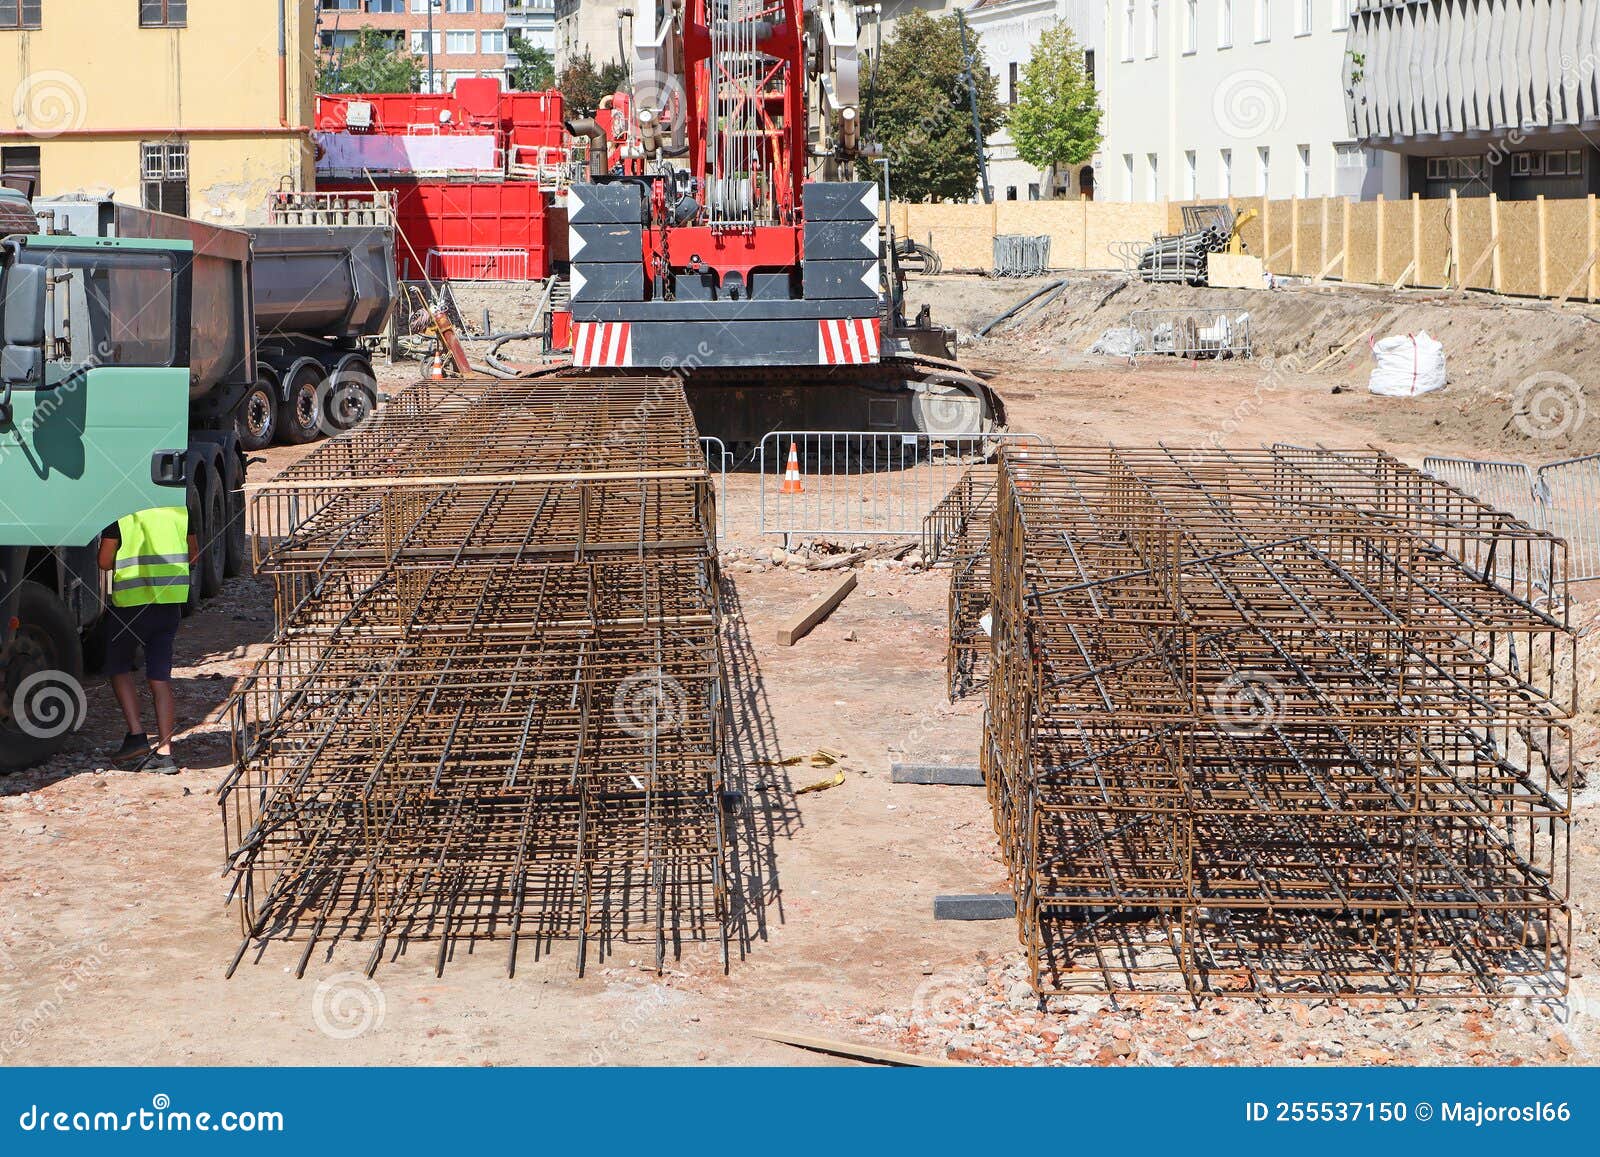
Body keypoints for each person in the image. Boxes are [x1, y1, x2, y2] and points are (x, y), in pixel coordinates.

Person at [97, 506, 198, 773]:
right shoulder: (180, 512)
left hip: (131, 607)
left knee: (118, 668)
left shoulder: (122, 514)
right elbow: (194, 555)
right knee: (159, 677)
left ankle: (137, 736)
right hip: (168, 607)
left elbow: (105, 561)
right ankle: (165, 753)